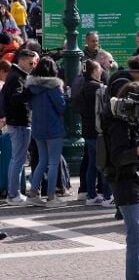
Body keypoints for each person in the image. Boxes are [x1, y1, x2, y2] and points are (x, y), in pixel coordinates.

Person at [106, 81, 139, 280]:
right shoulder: (118, 125)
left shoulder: (134, 122)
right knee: (137, 238)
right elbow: (117, 157)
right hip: (126, 183)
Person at [25, 56, 67, 207]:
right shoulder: (54, 86)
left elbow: (29, 106)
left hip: (38, 127)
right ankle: (51, 196)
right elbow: (61, 107)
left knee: (42, 161)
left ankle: (33, 193)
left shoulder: (31, 87)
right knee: (54, 162)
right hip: (53, 127)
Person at [72, 59, 113, 206]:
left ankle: (91, 195)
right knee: (104, 164)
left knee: (92, 163)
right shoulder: (100, 89)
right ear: (94, 71)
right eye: (99, 69)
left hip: (87, 129)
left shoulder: (82, 87)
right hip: (99, 130)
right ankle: (108, 196)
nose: (101, 71)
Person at [4, 49, 38, 206]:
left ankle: (13, 192)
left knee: (17, 159)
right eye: (31, 63)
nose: (33, 66)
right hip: (19, 122)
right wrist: (29, 90)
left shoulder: (14, 75)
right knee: (18, 159)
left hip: (16, 121)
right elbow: (15, 99)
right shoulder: (17, 77)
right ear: (22, 60)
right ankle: (13, 193)